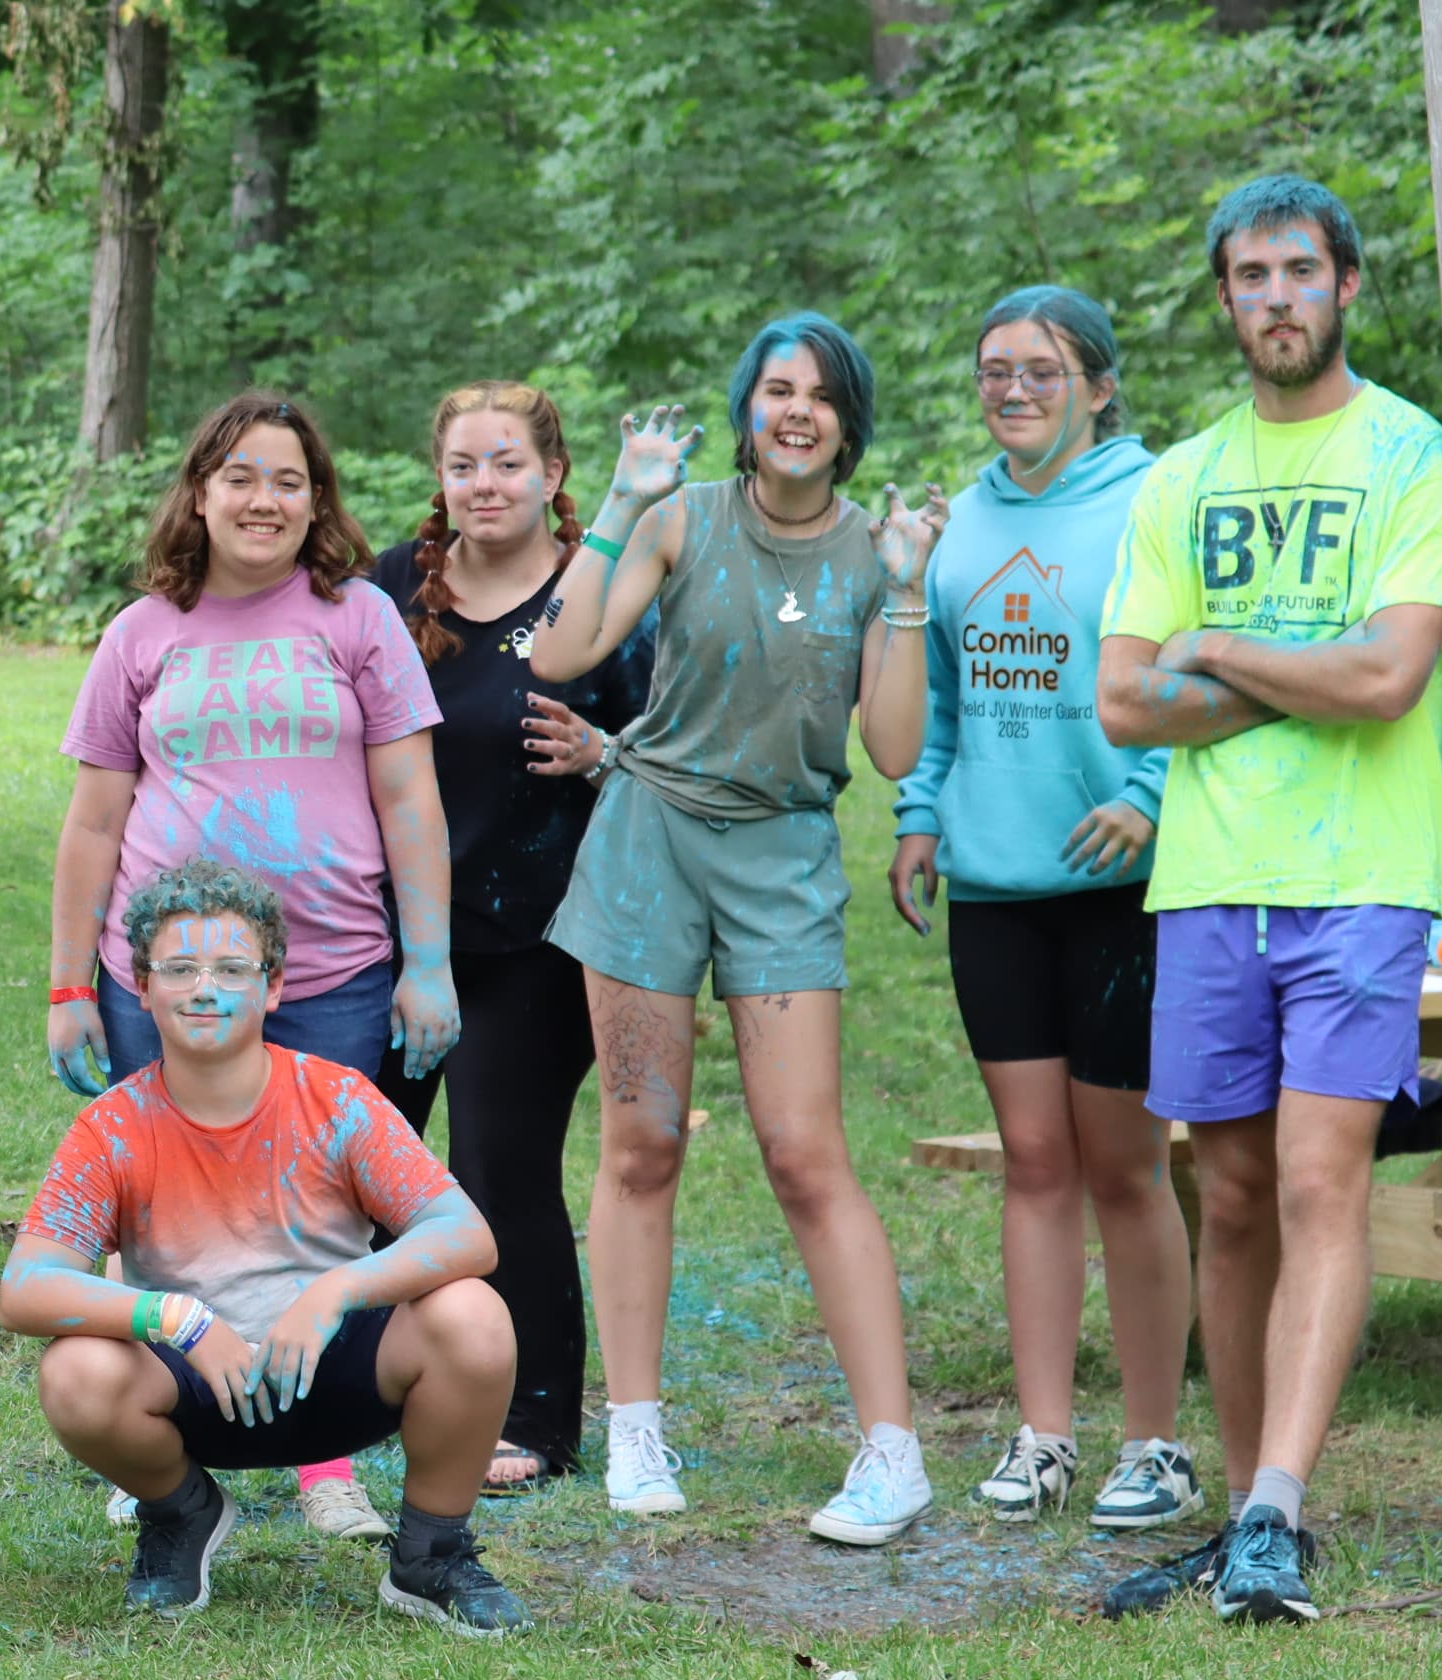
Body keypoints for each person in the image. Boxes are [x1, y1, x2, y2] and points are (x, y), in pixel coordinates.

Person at [1094, 175, 1442, 1626]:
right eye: (1250, 276)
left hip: (1362, 880)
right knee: (1232, 1197)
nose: (1277, 298)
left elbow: (1391, 681)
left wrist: (1230, 645)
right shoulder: (1181, 476)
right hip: (1211, 886)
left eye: (1300, 271)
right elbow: (1125, 700)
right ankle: (1252, 1514)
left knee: (1321, 1185)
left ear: (1348, 284)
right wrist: (1304, 677)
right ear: (1229, 299)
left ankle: (1274, 1506)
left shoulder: (1405, 453)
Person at [531, 314, 948, 1546]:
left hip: (783, 854)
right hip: (650, 839)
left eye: (822, 394)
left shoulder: (881, 551)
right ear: (748, 408)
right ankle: (637, 1428)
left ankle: (893, 1452)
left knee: (805, 1151)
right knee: (641, 1141)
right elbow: (560, 650)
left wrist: (914, 593)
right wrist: (616, 498)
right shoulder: (683, 517)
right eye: (778, 389)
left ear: (849, 420)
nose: (798, 410)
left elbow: (893, 749)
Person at [46, 390, 457, 1540]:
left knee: (329, 1209)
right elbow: (92, 823)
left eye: (287, 479)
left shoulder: (359, 618)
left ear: (317, 498)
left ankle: (324, 1459)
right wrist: (72, 985)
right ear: (200, 493)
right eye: (239, 477)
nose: (263, 499)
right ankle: (167, 1452)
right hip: (162, 981)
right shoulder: (144, 631)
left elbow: (409, 796)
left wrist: (429, 962)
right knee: (167, 1206)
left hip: (334, 971)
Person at [0, 860, 532, 1637]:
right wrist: (175, 1317)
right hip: (192, 1393)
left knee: (473, 1316)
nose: (204, 987)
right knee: (75, 1369)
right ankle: (182, 1513)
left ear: (274, 986)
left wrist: (334, 1292)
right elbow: (25, 1288)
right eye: (177, 968)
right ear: (142, 989)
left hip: (340, 1376)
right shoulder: (112, 1126)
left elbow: (466, 1235)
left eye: (231, 967)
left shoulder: (338, 1098)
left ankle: (431, 1554)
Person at [886, 286, 1198, 1530]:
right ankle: (1046, 1434)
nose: (1013, 389)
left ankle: (1156, 1443)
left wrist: (1153, 793)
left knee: (1125, 1163)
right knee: (1030, 1157)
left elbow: (1197, 660)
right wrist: (919, 810)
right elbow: (946, 699)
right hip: (998, 887)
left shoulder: (1155, 499)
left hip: (1121, 885)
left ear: (1099, 384)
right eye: (994, 371)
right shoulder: (961, 522)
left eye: (1042, 369)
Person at [369, 381, 659, 1493]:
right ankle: (360, 1385)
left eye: (505, 464)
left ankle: (537, 1416)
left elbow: (667, 743)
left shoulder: (599, 595)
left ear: (552, 475)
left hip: (538, 938)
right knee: (364, 1166)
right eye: (462, 466)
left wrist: (604, 754)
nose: (483, 485)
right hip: (393, 931)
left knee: (496, 1167)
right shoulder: (393, 587)